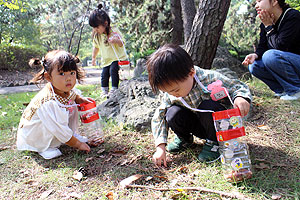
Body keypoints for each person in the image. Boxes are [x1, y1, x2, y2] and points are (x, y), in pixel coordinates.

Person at [147, 44, 252, 167]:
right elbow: (159, 116)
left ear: (191, 73)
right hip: (198, 125)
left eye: (176, 90)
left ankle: (214, 143)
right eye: (168, 92)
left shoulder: (210, 78)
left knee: (207, 106)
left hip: (219, 127)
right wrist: (160, 147)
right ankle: (184, 139)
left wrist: (240, 98)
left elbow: (237, 86)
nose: (174, 95)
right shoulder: (171, 94)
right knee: (172, 113)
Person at [17, 50, 91, 159]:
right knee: (56, 123)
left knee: (71, 105)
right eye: (61, 74)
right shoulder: (48, 102)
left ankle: (69, 135)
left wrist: (79, 99)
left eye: (72, 73)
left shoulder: (64, 90)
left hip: (55, 126)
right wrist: (78, 144)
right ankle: (44, 147)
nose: (68, 78)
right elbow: (57, 128)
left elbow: (72, 95)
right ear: (48, 77)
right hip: (36, 135)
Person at [242, 0, 300, 100]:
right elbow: (262, 47)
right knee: (254, 65)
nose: (256, 6)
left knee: (270, 56)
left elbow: (281, 46)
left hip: (296, 62)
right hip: (286, 64)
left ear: (274, 1)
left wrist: (269, 27)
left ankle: (296, 90)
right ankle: (282, 90)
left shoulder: (292, 16)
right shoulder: (265, 22)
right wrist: (255, 55)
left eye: (259, 1)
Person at [89, 4, 127, 98]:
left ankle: (114, 88)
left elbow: (122, 43)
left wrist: (116, 41)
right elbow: (96, 47)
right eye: (93, 28)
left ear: (105, 23)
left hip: (116, 58)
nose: (95, 30)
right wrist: (93, 58)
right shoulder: (97, 36)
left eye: (97, 27)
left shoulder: (114, 31)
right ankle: (104, 90)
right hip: (106, 60)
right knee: (104, 74)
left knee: (113, 70)